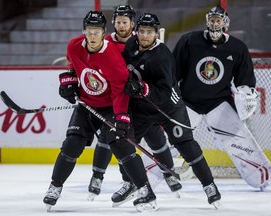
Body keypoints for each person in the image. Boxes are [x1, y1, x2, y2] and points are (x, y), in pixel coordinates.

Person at [43, 10, 158, 212]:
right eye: (89, 30)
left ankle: (145, 191)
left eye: (97, 31)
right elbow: (74, 67)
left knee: (122, 147)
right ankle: (55, 187)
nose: (93, 35)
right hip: (86, 105)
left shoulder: (113, 57)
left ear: (103, 31)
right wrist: (68, 82)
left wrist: (121, 118)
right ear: (84, 31)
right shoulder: (74, 46)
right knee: (71, 144)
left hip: (111, 107)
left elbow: (120, 92)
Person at [172, 5, 271, 189]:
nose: (214, 24)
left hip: (218, 103)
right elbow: (173, 72)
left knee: (239, 140)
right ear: (207, 21)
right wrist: (170, 90)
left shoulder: (237, 47)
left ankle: (261, 178)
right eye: (211, 20)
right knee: (170, 138)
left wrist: (246, 93)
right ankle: (145, 176)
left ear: (225, 23)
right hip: (188, 102)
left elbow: (244, 79)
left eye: (218, 20)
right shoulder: (189, 41)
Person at [122, 12, 221, 208]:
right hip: (144, 108)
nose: (144, 36)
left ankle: (209, 185)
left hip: (169, 108)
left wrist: (142, 88)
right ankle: (133, 184)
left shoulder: (162, 57)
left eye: (149, 32)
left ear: (156, 34)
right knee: (123, 141)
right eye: (141, 31)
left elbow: (165, 93)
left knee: (186, 145)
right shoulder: (131, 45)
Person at [88, 5, 182, 206]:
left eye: (125, 21)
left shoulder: (137, 41)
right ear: (113, 23)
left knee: (156, 138)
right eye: (118, 21)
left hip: (144, 102)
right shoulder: (106, 42)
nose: (121, 25)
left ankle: (168, 172)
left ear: (132, 24)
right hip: (122, 101)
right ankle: (118, 180)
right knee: (116, 140)